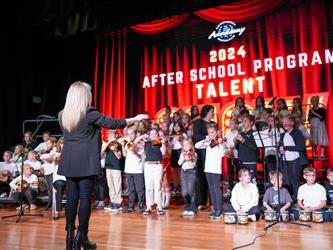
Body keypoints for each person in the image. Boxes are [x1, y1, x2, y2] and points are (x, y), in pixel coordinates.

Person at [58, 81, 148, 250]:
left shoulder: (62, 114)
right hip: (85, 162)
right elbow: (113, 123)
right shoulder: (89, 113)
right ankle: (81, 237)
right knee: (84, 198)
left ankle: (70, 235)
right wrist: (134, 119)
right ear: (84, 96)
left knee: (71, 197)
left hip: (69, 162)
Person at [195, 122, 226, 219]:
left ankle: (219, 210)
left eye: (212, 132)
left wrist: (221, 144)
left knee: (216, 189)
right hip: (208, 169)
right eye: (209, 133)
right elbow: (197, 145)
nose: (211, 134)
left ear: (217, 132)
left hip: (216, 169)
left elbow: (222, 154)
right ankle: (214, 208)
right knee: (211, 190)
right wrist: (205, 139)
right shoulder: (209, 143)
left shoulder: (219, 143)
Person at [279, 114, 307, 200]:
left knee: (294, 181)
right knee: (286, 181)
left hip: (295, 160)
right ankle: (288, 200)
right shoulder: (283, 134)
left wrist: (286, 148)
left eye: (286, 121)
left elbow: (301, 147)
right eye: (283, 122)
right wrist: (280, 150)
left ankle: (297, 200)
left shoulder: (297, 133)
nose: (284, 123)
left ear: (292, 122)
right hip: (285, 160)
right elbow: (281, 146)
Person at [192, 104, 214, 210]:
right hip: (201, 152)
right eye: (211, 112)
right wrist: (207, 138)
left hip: (211, 153)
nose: (213, 114)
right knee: (200, 177)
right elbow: (196, 136)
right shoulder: (198, 122)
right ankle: (201, 201)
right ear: (206, 112)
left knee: (210, 177)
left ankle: (213, 202)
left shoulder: (214, 124)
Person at [121, 126, 146, 213]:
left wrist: (135, 152)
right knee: (131, 189)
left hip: (138, 169)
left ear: (135, 134)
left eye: (132, 134)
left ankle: (141, 205)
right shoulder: (128, 143)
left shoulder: (140, 143)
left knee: (140, 188)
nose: (131, 136)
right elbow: (125, 155)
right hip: (129, 168)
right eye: (129, 134)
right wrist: (123, 146)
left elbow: (140, 156)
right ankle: (131, 205)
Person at [101, 129, 123, 212]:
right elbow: (101, 152)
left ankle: (118, 203)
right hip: (108, 167)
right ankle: (113, 202)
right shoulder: (107, 145)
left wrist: (114, 149)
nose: (110, 137)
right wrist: (107, 143)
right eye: (109, 135)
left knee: (117, 185)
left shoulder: (118, 144)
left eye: (111, 135)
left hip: (116, 167)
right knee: (110, 186)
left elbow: (119, 157)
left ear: (116, 136)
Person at [234, 113, 258, 183]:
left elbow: (254, 147)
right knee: (243, 182)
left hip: (250, 161)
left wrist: (243, 140)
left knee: (252, 181)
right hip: (241, 161)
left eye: (245, 121)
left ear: (251, 123)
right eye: (242, 121)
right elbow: (238, 148)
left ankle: (254, 194)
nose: (243, 123)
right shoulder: (241, 134)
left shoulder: (254, 133)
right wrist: (236, 142)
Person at [178, 139, 197, 216]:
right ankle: (187, 207)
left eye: (187, 145)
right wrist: (183, 158)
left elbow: (193, 164)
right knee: (184, 192)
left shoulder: (194, 154)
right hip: (184, 172)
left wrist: (189, 158)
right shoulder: (182, 154)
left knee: (191, 190)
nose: (185, 147)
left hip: (191, 172)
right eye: (184, 145)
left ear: (191, 145)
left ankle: (192, 208)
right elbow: (179, 163)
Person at [224, 118, 239, 195]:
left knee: (238, 171)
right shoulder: (227, 134)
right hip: (230, 156)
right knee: (230, 172)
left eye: (232, 123)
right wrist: (226, 149)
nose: (230, 125)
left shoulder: (238, 134)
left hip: (237, 156)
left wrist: (234, 145)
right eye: (229, 124)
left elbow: (238, 145)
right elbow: (226, 145)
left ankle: (240, 187)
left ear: (236, 125)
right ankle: (230, 188)